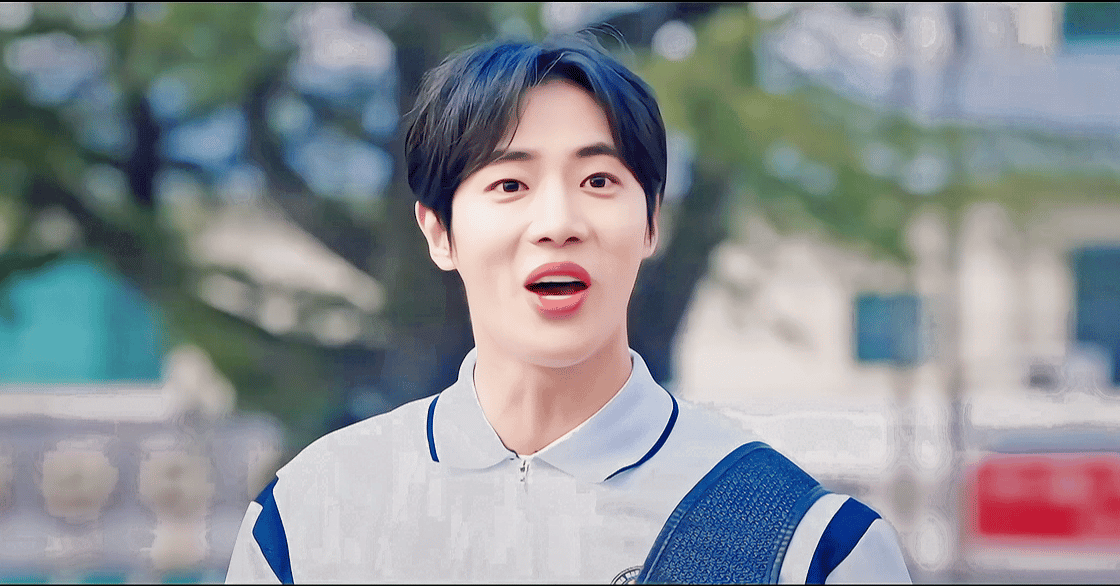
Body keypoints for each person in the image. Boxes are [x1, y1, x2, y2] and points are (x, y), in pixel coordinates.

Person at [226, 32, 913, 584]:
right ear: (438, 231)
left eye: (598, 179)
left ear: (651, 222)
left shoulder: (806, 543)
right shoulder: (310, 516)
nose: (558, 222)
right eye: (510, 183)